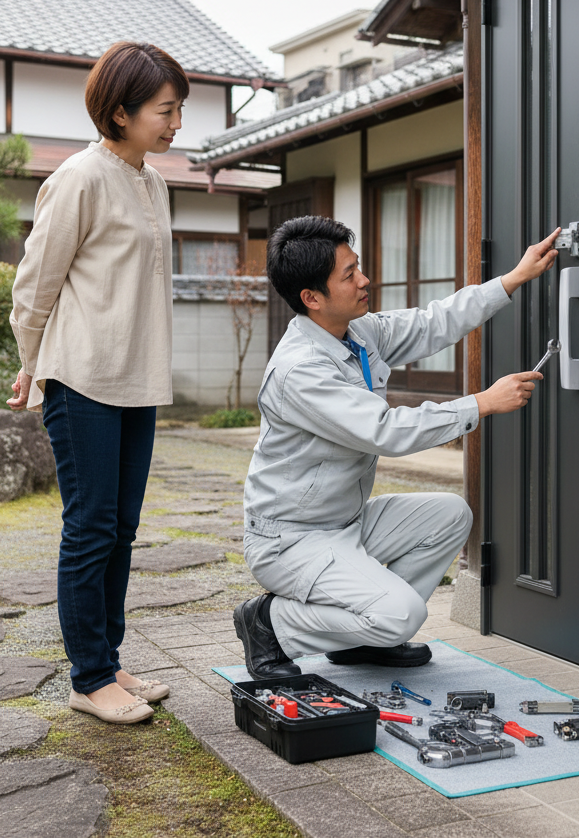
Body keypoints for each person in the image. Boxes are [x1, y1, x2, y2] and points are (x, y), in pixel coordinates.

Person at [234, 215, 560, 680]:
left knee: (451, 514)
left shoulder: (357, 332)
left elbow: (433, 324)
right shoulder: (301, 371)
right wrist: (483, 403)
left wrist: (512, 279)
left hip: (344, 522)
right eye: (349, 275)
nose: (364, 280)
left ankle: (364, 639)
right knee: (403, 614)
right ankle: (269, 624)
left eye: (357, 266)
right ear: (312, 298)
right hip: (291, 540)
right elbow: (387, 431)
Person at [7, 40, 185, 724]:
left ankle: (106, 661)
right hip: (81, 377)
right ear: (120, 111)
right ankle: (88, 678)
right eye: (165, 110)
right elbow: (36, 281)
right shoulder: (80, 177)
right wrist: (30, 363)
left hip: (137, 379)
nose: (175, 124)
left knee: (123, 529)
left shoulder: (153, 180)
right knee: (90, 528)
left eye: (178, 110)